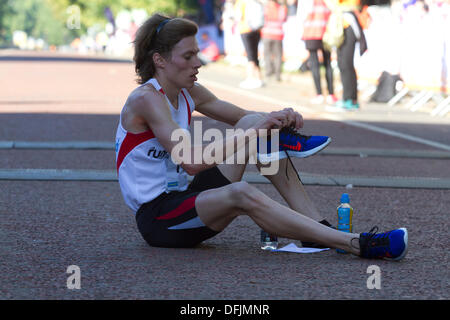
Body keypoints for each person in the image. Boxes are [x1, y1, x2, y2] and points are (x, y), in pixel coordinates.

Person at [115, 13, 408, 261]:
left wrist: (278, 118)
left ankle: (317, 230)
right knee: (242, 190)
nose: (199, 63)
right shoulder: (146, 99)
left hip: (186, 198)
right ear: (160, 61)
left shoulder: (189, 91)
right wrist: (258, 128)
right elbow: (190, 161)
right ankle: (354, 243)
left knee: (255, 123)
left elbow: (245, 117)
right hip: (159, 220)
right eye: (189, 56)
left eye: (198, 53)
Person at [331, 0, 368, 110]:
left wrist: (361, 41)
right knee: (342, 65)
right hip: (341, 26)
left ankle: (351, 99)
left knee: (347, 65)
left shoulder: (350, 11)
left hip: (349, 26)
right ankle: (346, 98)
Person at [301, 0, 337, 105]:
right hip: (326, 33)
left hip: (311, 33)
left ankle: (319, 95)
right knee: (327, 64)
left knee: (314, 64)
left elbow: (302, 16)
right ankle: (331, 95)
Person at [235, 0, 265, 89]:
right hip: (257, 30)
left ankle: (250, 78)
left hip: (245, 29)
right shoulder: (256, 2)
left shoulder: (240, 2)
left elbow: (238, 17)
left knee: (250, 55)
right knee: (254, 54)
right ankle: (259, 78)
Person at [261, 0, 288, 82]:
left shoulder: (265, 7)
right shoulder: (281, 7)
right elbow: (283, 18)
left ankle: (268, 72)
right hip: (278, 34)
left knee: (267, 55)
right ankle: (277, 75)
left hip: (267, 33)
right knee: (278, 56)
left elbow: (262, 18)